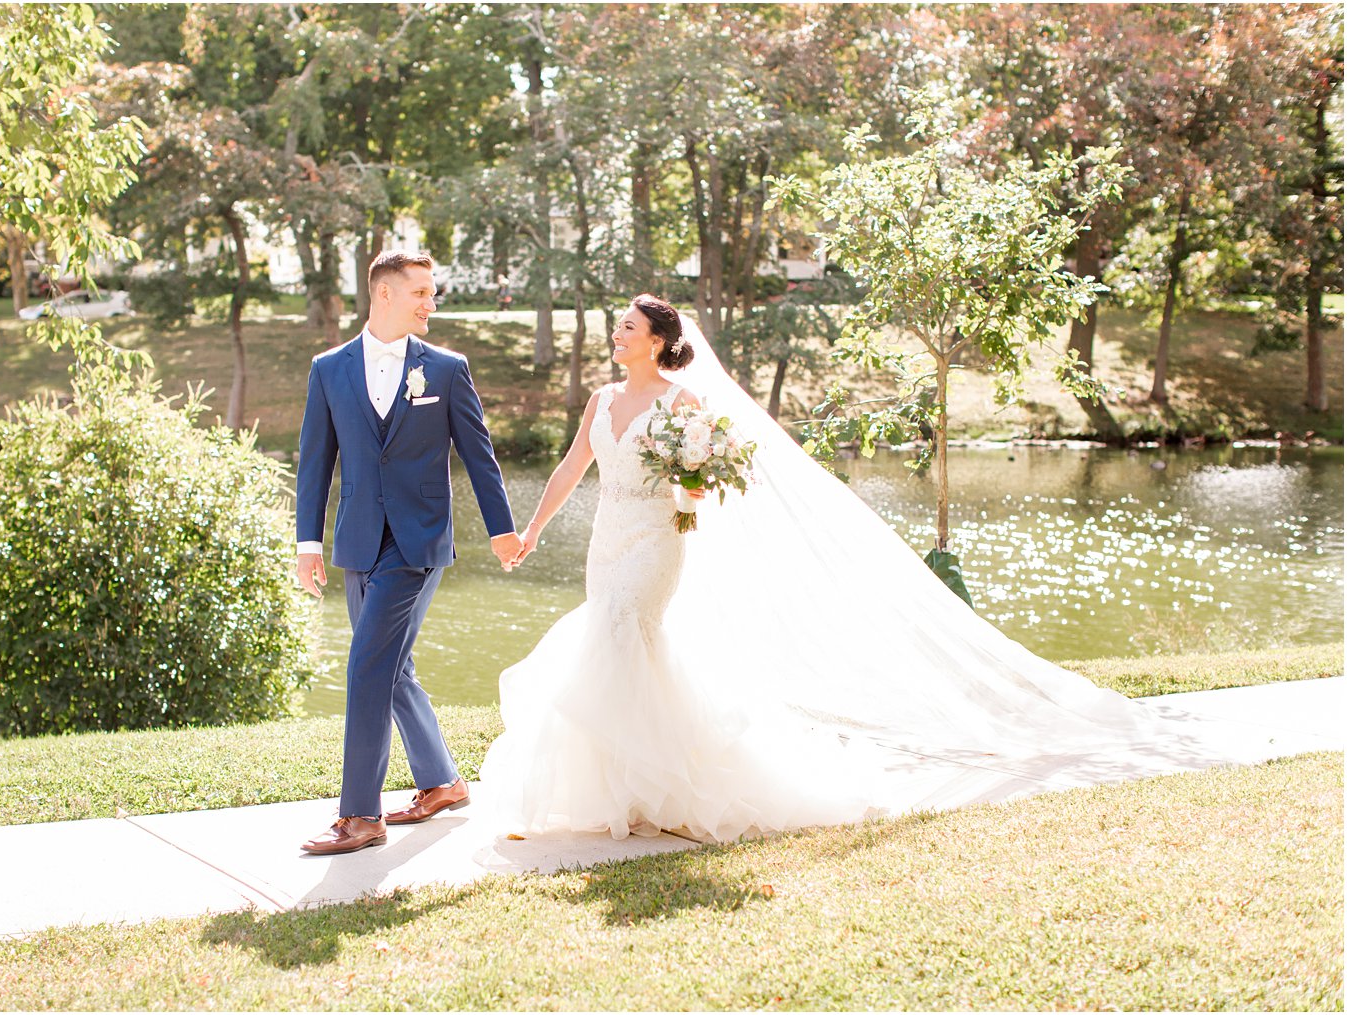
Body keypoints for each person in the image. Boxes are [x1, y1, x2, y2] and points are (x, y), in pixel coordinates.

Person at [480, 295, 1286, 844]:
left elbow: (711, 479)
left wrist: (687, 482)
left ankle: (644, 792)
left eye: (626, 327)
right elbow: (567, 470)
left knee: (622, 631)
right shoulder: (597, 402)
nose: (616, 335)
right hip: (605, 540)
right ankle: (633, 788)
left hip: (657, 543)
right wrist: (528, 532)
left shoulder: (686, 406)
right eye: (617, 328)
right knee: (623, 647)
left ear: (656, 340)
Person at [295, 251, 524, 856]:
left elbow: (479, 456)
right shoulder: (328, 369)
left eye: (432, 293)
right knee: (392, 668)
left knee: (367, 667)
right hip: (358, 541)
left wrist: (502, 530)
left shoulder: (446, 370)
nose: (431, 303)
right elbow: (315, 463)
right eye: (421, 292)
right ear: (385, 295)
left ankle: (359, 817)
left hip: (418, 543)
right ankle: (443, 781)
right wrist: (308, 543)